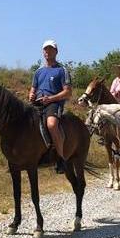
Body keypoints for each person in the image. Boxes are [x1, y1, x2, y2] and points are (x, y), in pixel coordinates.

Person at [28, 39, 72, 173]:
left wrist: (51, 98)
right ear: (43, 52)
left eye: (51, 49)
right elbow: (32, 89)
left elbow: (68, 92)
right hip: (38, 102)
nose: (48, 52)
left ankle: (61, 158)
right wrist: (31, 95)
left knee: (52, 124)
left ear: (56, 52)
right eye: (45, 49)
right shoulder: (38, 72)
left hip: (53, 103)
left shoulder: (61, 70)